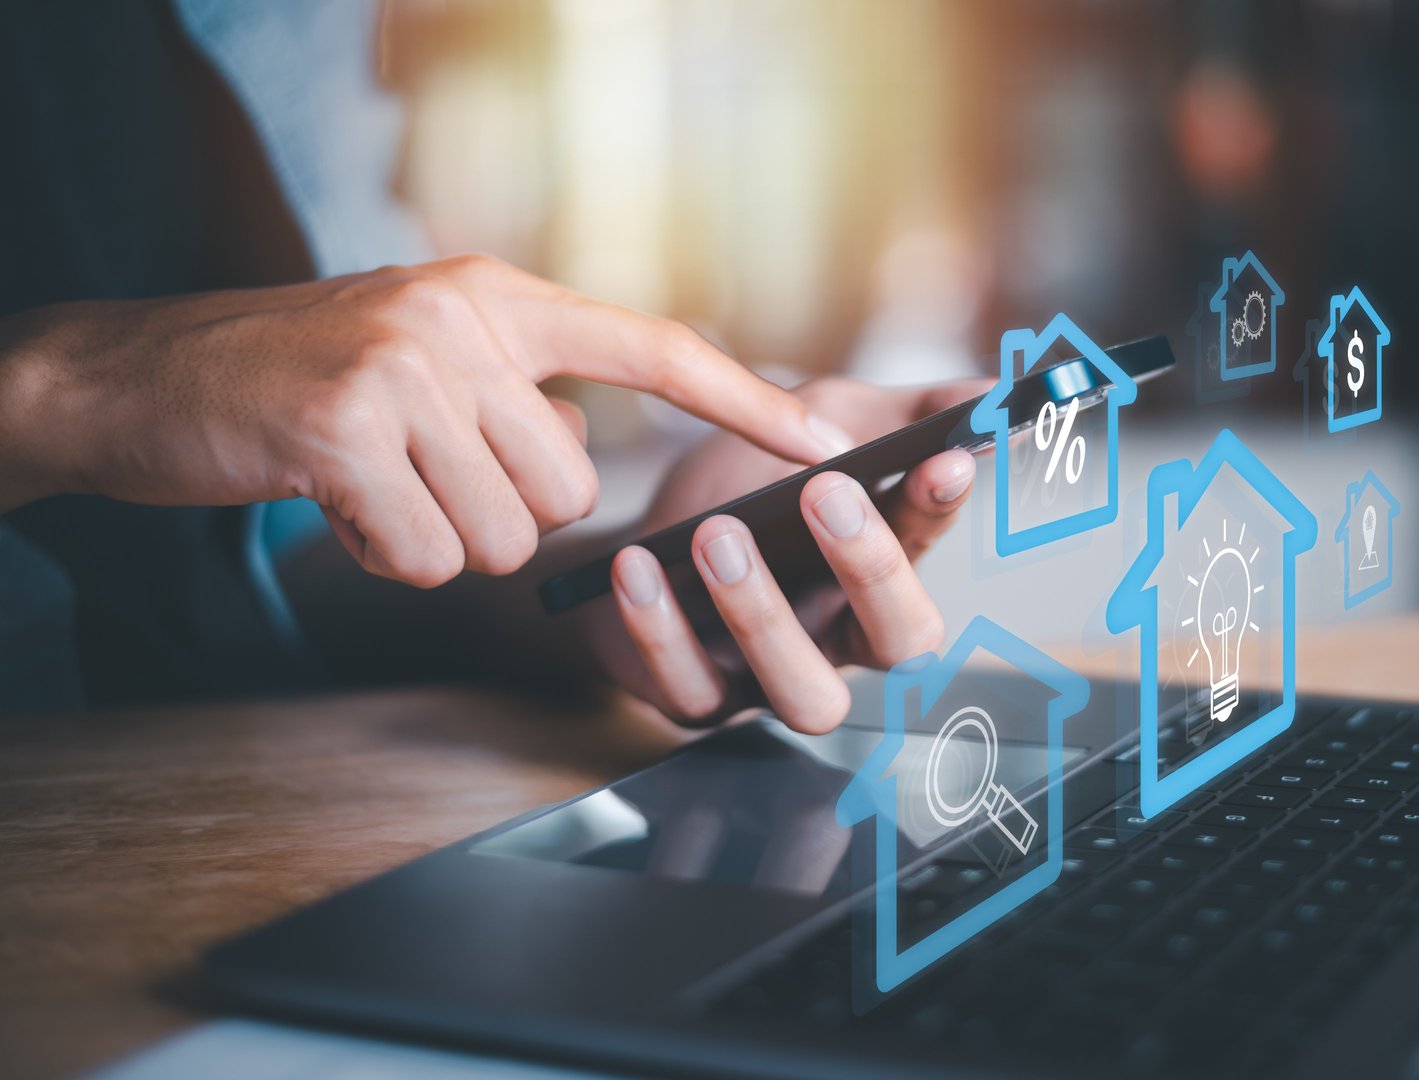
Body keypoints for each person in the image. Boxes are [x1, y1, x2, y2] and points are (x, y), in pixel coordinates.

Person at [0, 1, 970, 730]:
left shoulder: (256, 32)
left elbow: (251, 574)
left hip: (196, 813)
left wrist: (614, 585)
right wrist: (55, 395)